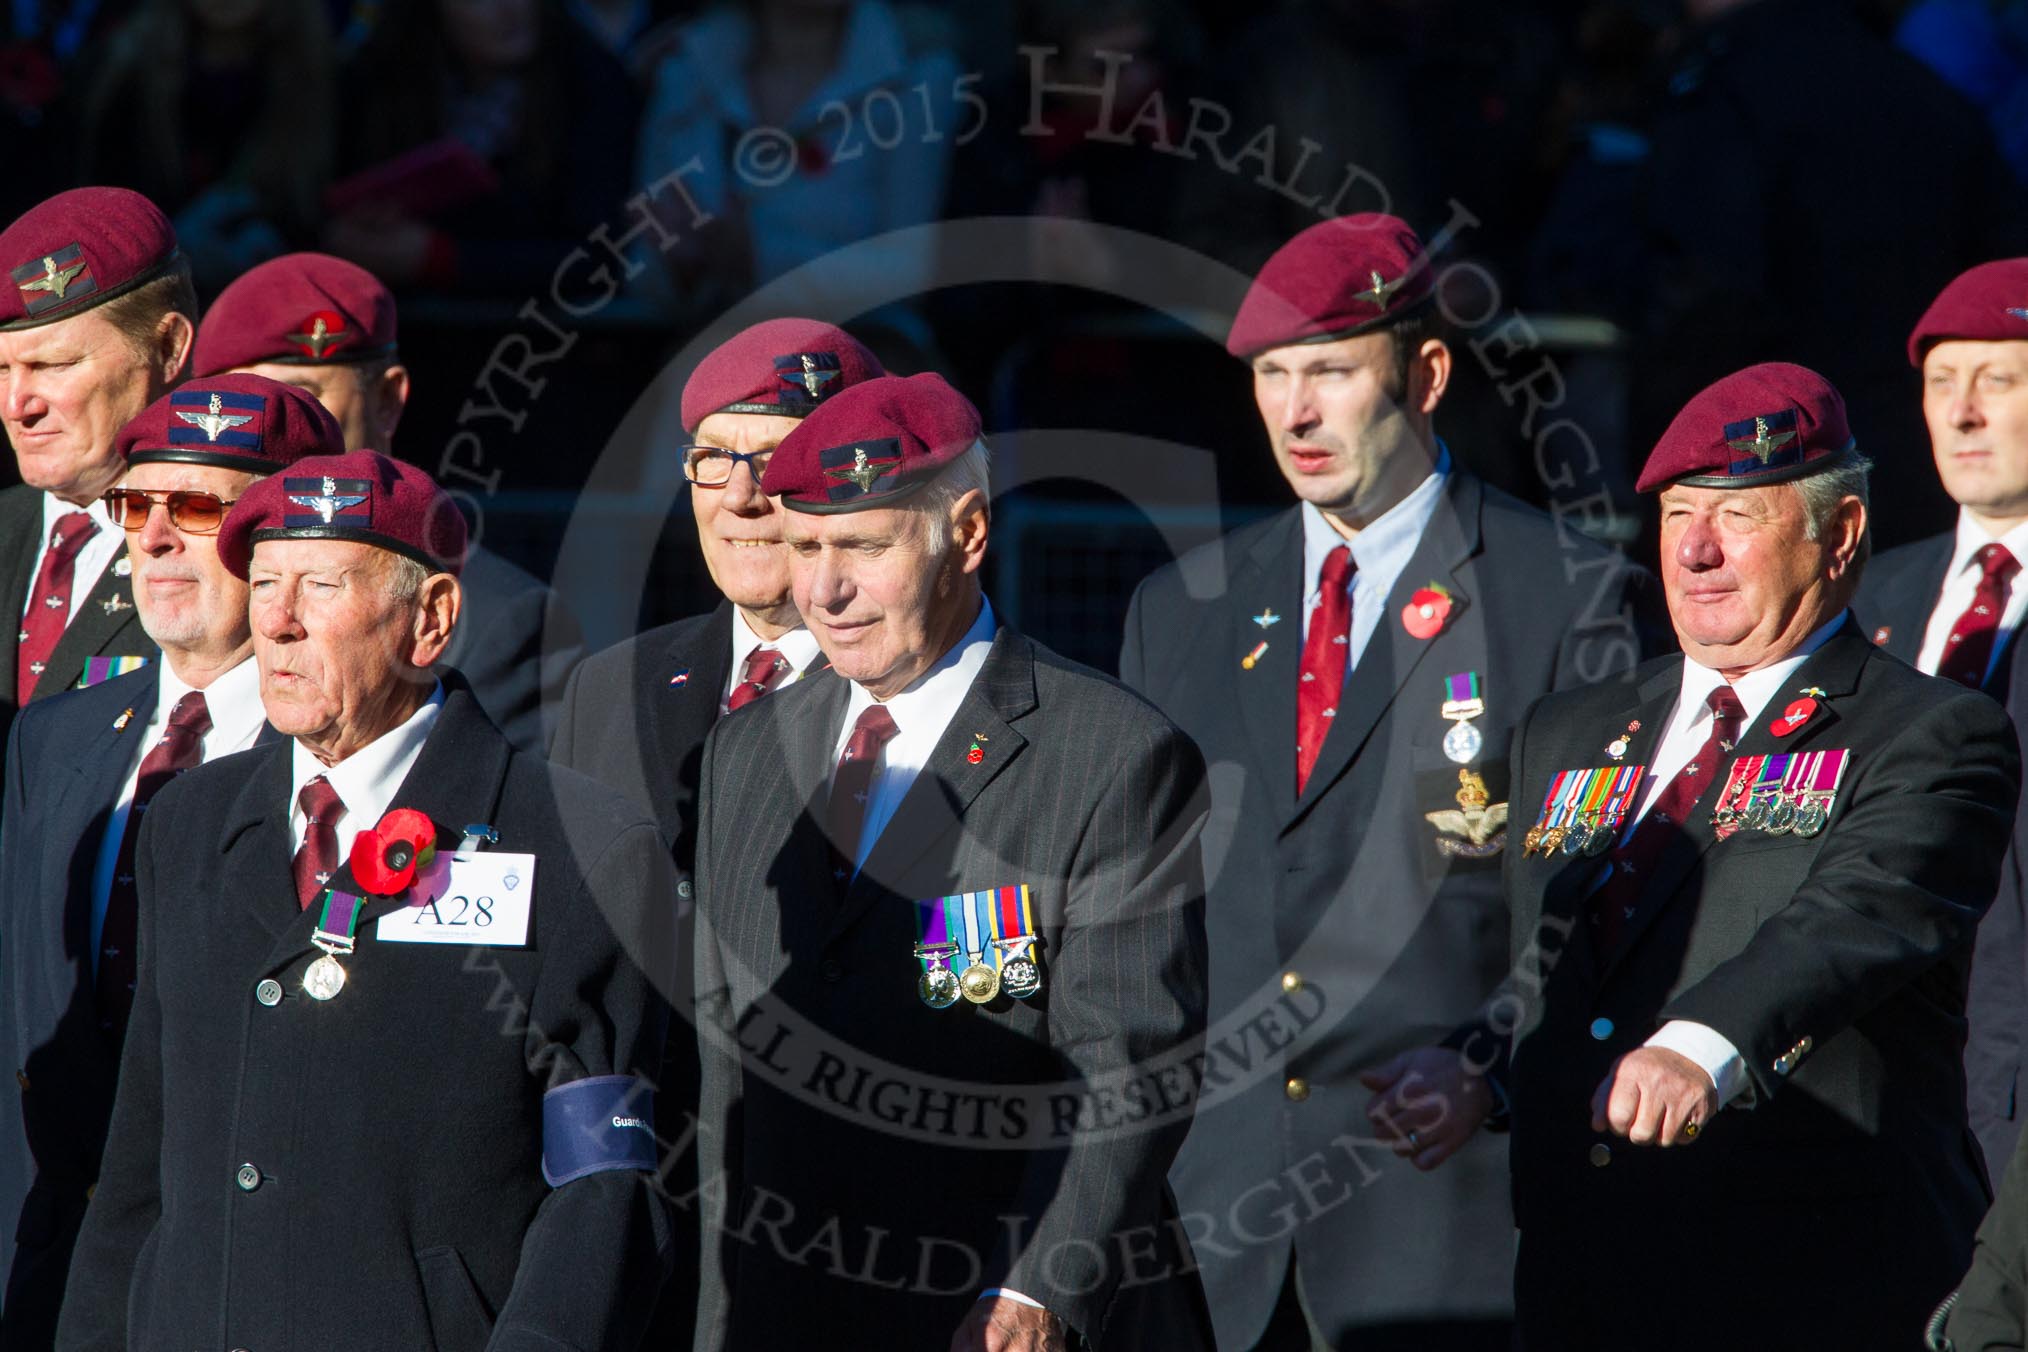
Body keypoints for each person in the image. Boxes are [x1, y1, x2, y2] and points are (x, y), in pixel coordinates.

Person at [1388, 362, 2016, 1350]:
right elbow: (1564, 953)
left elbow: (1856, 915)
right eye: (1678, 513)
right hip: (1583, 1286)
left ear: (1839, 533)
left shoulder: (1932, 731)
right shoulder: (1571, 726)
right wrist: (1482, 1065)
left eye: (1740, 515)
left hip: (1810, 1287)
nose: (1695, 549)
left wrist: (1702, 1043)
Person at [1118, 212, 1658, 1351]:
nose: (1296, 411)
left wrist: (1488, 1063)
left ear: (1423, 373)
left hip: (1445, 1212)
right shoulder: (1181, 610)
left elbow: (1604, 907)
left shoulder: (1563, 595)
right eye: (1272, 375)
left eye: (1328, 371)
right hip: (1214, 1234)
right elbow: (1142, 913)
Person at [56, 450, 675, 1351]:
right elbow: (140, 1162)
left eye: (319, 585)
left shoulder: (579, 842)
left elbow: (603, 1186)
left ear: (430, 620)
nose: (277, 621)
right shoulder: (188, 820)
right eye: (263, 582)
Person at [692, 373, 1211, 1349]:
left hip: (992, 1311)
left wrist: (1041, 1286)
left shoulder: (1110, 752)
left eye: (863, 546)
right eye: (804, 547)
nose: (825, 591)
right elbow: (730, 1073)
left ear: (966, 534)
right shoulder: (744, 749)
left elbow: (1129, 1058)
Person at [547, 315, 883, 1344]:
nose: (741, 494)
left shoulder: (916, 699)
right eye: (713, 459)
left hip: (856, 1243)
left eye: (775, 459)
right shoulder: (612, 689)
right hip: (643, 1240)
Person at [0, 373, 343, 1346]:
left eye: (195, 505)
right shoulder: (54, 738)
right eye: (134, 503)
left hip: (255, 1273)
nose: (151, 537)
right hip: (57, 1269)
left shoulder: (348, 759)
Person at [192, 250, 583, 752]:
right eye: (245, 411)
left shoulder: (494, 625)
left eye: (302, 401)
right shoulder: (178, 588)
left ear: (386, 400)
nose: (272, 434)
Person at [1856, 257, 2028, 1179]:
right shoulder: (1869, 596)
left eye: (1997, 380)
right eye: (1940, 382)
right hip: (1881, 1103)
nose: (1962, 412)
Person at [0, 187, 192, 775]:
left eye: (53, 365)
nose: (16, 404)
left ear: (167, 347)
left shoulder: (237, 549)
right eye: (0, 369)